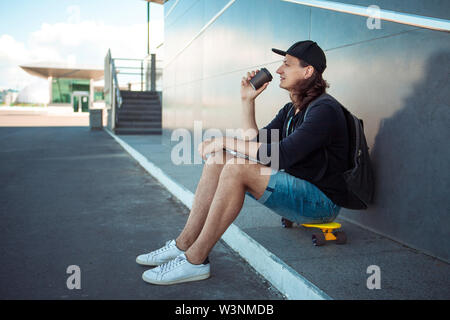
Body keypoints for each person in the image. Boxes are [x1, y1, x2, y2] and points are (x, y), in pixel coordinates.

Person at [136, 40, 349, 285]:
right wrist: (248, 101)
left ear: (308, 71)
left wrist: (225, 140)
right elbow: (257, 143)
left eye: (286, 65)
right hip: (298, 190)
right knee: (220, 159)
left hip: (322, 204)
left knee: (237, 167)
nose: (279, 70)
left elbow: (282, 155)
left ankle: (195, 260)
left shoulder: (325, 109)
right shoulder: (292, 109)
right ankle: (183, 244)